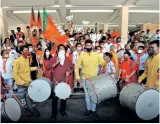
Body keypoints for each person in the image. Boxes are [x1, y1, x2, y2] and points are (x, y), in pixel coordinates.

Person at [75, 39, 106, 119]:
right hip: (85, 79)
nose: (88, 47)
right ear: (84, 46)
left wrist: (105, 62)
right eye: (87, 45)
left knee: (94, 95)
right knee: (87, 96)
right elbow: (77, 67)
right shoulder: (82, 55)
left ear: (92, 46)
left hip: (94, 79)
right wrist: (78, 77)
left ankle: (93, 110)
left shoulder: (96, 55)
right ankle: (88, 110)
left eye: (90, 45)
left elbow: (103, 63)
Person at [47, 44, 73, 121]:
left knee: (64, 98)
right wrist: (56, 63)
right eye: (60, 49)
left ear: (65, 51)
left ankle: (62, 110)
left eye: (63, 49)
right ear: (57, 50)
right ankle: (53, 114)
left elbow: (71, 68)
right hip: (56, 82)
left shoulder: (68, 60)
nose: (62, 50)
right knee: (55, 99)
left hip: (65, 81)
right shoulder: (54, 58)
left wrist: (69, 72)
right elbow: (48, 67)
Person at [13, 45, 39, 117]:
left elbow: (27, 69)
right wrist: (22, 82)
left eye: (28, 50)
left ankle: (33, 110)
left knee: (31, 97)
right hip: (21, 84)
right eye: (26, 50)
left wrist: (35, 68)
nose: (27, 52)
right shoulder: (16, 61)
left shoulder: (27, 59)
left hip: (28, 82)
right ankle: (26, 111)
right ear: (21, 51)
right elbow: (15, 74)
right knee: (23, 99)